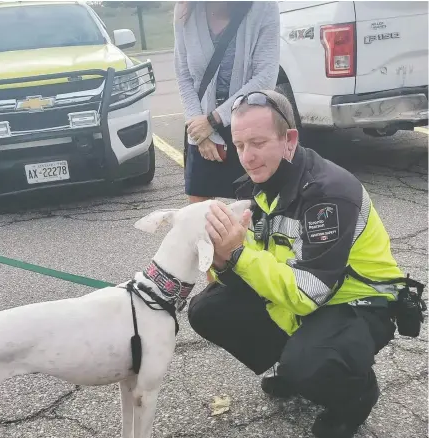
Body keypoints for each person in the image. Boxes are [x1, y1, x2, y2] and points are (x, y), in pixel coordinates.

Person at [187, 90, 426, 438]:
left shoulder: (327, 195)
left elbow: (308, 292)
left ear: (289, 140)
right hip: (308, 291)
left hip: (359, 301)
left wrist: (238, 254)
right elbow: (261, 266)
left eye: (258, 142)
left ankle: (355, 393)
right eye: (239, 146)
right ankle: (296, 363)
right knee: (207, 308)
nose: (248, 158)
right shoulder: (258, 185)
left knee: (310, 363)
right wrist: (225, 262)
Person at [173, 1, 280, 204]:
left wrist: (214, 120)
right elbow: (184, 76)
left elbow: (265, 78)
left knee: (251, 218)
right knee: (201, 223)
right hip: (201, 126)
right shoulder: (186, 9)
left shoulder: (264, 7)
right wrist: (200, 133)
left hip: (248, 128)